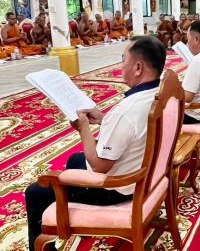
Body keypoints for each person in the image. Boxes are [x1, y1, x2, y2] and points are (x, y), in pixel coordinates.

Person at [24, 36, 167, 251]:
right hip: (146, 172)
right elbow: (134, 130)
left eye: (123, 60)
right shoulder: (159, 94)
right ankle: (75, 220)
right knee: (74, 159)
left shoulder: (126, 111)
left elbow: (100, 166)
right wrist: (102, 118)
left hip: (119, 188)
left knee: (36, 192)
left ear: (138, 67)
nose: (121, 67)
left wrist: (83, 129)